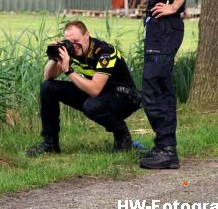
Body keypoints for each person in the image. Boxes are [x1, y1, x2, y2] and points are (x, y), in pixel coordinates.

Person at [114, 0, 195, 169]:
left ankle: (166, 149)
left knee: (153, 87)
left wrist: (175, 5)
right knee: (157, 87)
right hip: (157, 28)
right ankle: (165, 146)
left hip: (166, 29)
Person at [26, 20, 141, 156]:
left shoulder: (104, 52)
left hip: (124, 98)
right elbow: (48, 76)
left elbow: (94, 90)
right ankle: (50, 144)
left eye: (75, 40)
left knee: (91, 105)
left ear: (87, 35)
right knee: (48, 87)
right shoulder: (74, 51)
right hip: (101, 95)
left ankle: (122, 134)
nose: (73, 46)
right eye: (69, 41)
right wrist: (55, 57)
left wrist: (69, 71)